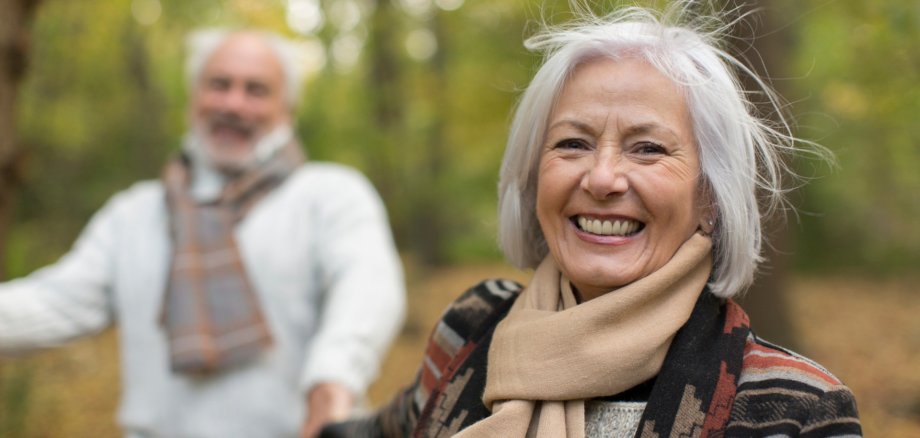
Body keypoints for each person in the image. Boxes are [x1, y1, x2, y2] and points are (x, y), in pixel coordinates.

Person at [322, 4, 861, 437]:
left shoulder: (791, 407)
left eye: (647, 148)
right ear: (534, 177)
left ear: (710, 198)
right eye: (572, 143)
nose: (602, 178)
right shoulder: (470, 330)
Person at [0, 28, 406, 438]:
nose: (233, 103)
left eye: (256, 90)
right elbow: (57, 303)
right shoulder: (135, 213)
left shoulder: (329, 194)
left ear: (288, 108)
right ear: (193, 98)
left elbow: (368, 290)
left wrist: (331, 381)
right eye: (219, 84)